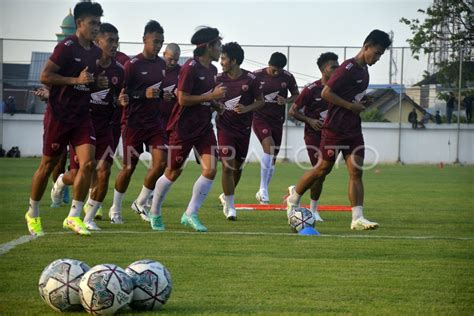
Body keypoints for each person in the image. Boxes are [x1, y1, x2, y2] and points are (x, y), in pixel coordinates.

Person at [286, 29, 392, 230]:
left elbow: (352, 97)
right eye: (377, 53)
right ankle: (294, 198)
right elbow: (326, 93)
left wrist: (362, 101)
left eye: (381, 55)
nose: (377, 58)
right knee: (322, 170)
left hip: (353, 129)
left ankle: (357, 218)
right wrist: (351, 106)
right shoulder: (347, 68)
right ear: (366, 47)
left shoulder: (364, 71)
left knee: (356, 171)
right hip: (334, 129)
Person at [24, 1, 104, 236]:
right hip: (59, 115)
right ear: (79, 24)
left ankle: (73, 216)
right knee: (47, 165)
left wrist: (95, 83)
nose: (96, 27)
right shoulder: (66, 47)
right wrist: (75, 81)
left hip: (81, 116)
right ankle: (33, 213)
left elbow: (86, 81)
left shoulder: (96, 52)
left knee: (88, 164)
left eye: (98, 23)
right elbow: (45, 75)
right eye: (92, 23)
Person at [50, 23, 128, 230]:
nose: (114, 44)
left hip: (106, 126)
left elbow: (115, 98)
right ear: (97, 41)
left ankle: (88, 218)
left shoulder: (119, 71)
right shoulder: (85, 64)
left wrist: (120, 101)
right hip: (83, 123)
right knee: (78, 174)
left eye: (116, 40)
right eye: (109, 40)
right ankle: (60, 181)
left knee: (104, 170)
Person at [149, 26, 226, 232]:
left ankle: (190, 213)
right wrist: (211, 97)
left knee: (210, 169)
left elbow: (205, 97)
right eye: (218, 44)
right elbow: (182, 98)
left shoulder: (212, 70)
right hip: (182, 128)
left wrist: (216, 104)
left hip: (204, 127)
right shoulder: (190, 67)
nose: (221, 48)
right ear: (208, 46)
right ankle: (154, 212)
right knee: (173, 172)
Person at [108, 20, 168, 224]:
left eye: (161, 42)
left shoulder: (161, 64)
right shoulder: (132, 65)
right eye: (155, 41)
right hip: (133, 123)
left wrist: (162, 95)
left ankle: (140, 202)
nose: (158, 46)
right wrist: (144, 94)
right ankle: (115, 209)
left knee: (161, 163)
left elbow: (156, 92)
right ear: (144, 39)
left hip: (154, 124)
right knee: (128, 168)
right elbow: (122, 94)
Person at [288, 52, 339, 222]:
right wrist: (309, 120)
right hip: (313, 136)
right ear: (323, 69)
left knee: (324, 172)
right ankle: (313, 210)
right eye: (333, 66)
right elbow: (292, 111)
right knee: (319, 171)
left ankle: (297, 190)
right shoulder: (311, 90)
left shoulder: (338, 89)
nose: (337, 69)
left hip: (332, 136)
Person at [216, 42, 264, 220]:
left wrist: (247, 108)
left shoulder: (250, 79)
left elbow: (261, 101)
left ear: (234, 60)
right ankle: (230, 207)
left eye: (224, 58)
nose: (221, 62)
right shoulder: (218, 79)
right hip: (224, 128)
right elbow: (212, 100)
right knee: (227, 166)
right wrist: (217, 105)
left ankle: (226, 197)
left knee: (237, 168)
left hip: (243, 130)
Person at [253, 52, 300, 204]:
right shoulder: (257, 76)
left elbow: (296, 95)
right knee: (269, 146)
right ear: (269, 64)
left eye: (279, 70)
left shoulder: (287, 77)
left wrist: (286, 100)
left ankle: (262, 192)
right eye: (274, 69)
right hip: (259, 117)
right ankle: (262, 189)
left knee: (273, 157)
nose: (276, 72)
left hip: (277, 120)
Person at [33, 86, 72, 206]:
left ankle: (65, 179)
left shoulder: (85, 72)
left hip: (80, 119)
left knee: (83, 161)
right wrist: (46, 95)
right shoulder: (56, 71)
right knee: (59, 160)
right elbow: (49, 91)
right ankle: (58, 191)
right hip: (58, 121)